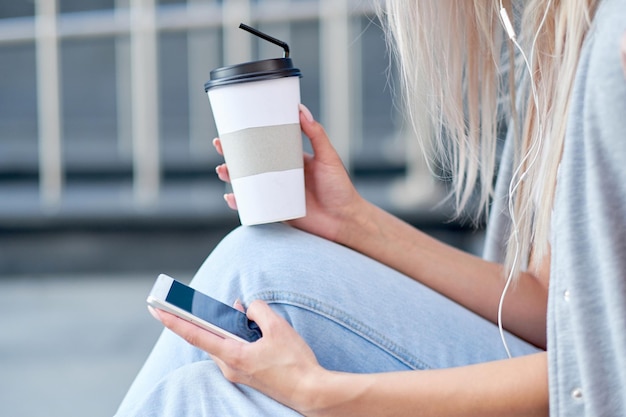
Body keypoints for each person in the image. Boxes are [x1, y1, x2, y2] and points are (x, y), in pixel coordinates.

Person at [115, 0, 626, 415]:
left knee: (198, 396)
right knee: (255, 258)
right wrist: (352, 222)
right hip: (560, 372)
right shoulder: (560, 34)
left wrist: (323, 394)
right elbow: (555, 305)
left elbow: (605, 366)